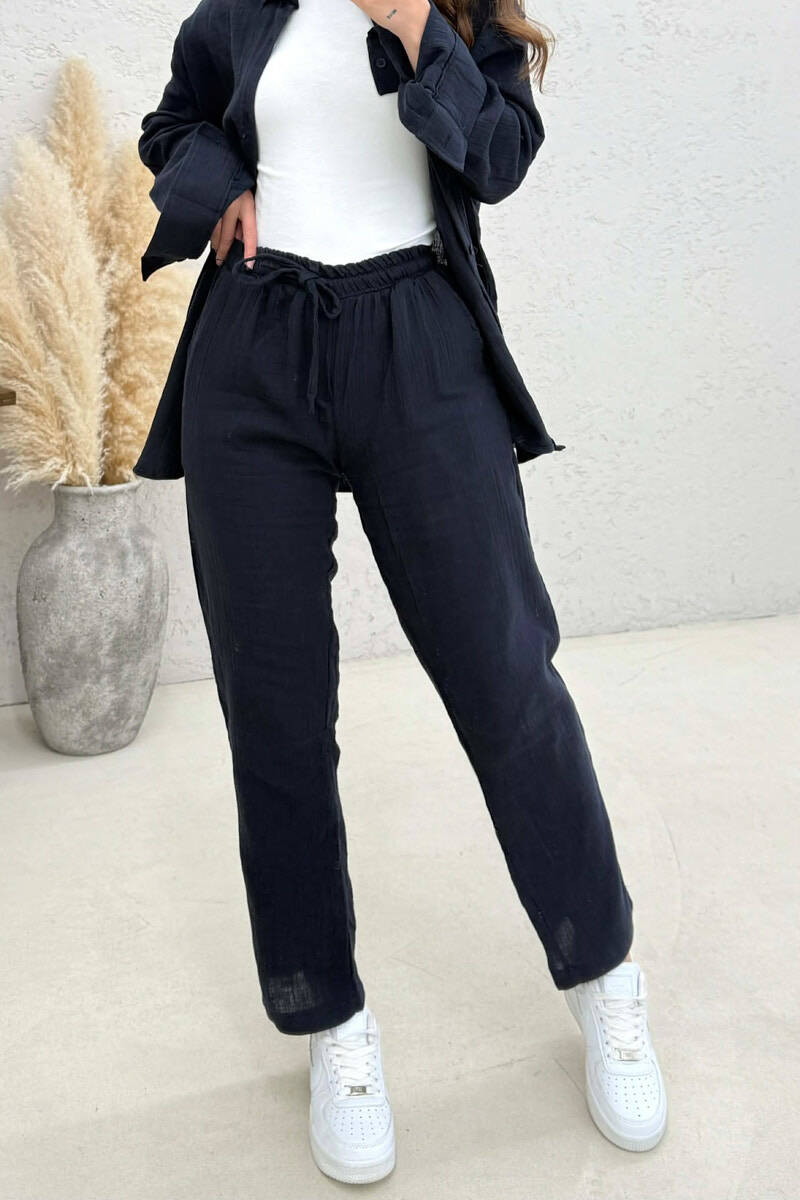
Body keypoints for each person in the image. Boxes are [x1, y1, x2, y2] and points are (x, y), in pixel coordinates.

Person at [133, 0, 667, 1182]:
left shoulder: (458, 13)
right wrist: (219, 183)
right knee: (273, 713)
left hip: (420, 341)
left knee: (505, 679)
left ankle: (602, 975)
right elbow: (173, 123)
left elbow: (499, 159)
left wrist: (418, 24)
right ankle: (329, 1020)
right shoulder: (244, 9)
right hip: (254, 350)